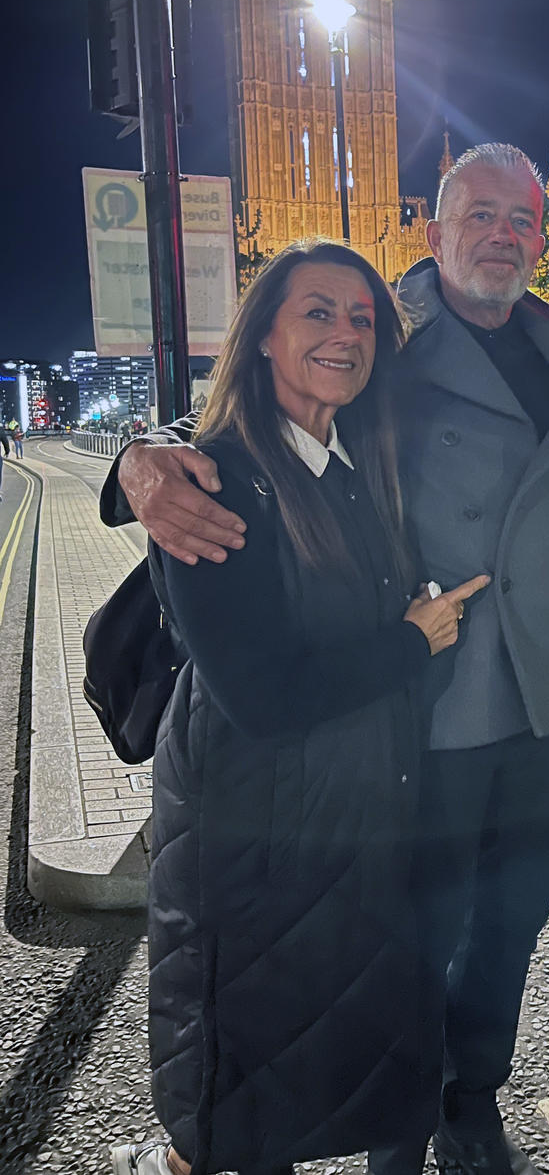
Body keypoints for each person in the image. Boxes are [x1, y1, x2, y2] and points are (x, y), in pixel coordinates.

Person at [101, 145, 549, 1175]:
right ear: (433, 229)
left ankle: (468, 1100)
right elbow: (239, 426)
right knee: (401, 949)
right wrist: (133, 460)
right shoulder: (391, 344)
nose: (500, 236)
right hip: (431, 702)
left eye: (520, 219)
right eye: (478, 215)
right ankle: (381, 1131)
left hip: (542, 698)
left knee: (499, 933)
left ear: (540, 238)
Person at [110, 239, 489, 1175]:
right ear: (263, 337)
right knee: (243, 1098)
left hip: (346, 826)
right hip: (255, 847)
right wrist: (413, 641)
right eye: (317, 312)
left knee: (332, 1071)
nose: (346, 333)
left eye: (362, 318)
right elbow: (262, 699)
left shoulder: (353, 458)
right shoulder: (217, 481)